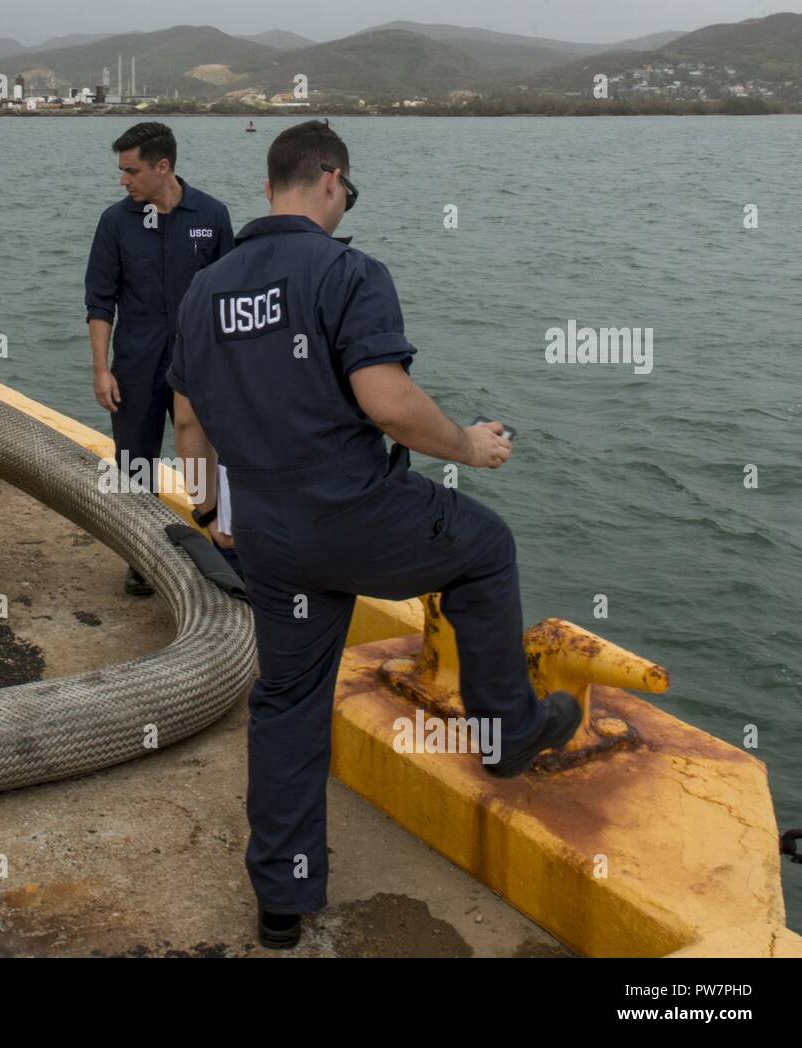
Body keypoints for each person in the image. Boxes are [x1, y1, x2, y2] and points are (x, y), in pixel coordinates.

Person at [168, 120, 581, 950]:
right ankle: (506, 735)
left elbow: (187, 420)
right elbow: (387, 402)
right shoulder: (347, 270)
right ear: (330, 180)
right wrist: (469, 444)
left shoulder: (203, 292)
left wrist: (212, 516)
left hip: (271, 537)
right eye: (346, 193)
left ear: (265, 190)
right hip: (359, 517)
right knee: (485, 549)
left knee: (287, 699)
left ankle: (282, 899)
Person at [85, 121, 235, 596]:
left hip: (198, 364)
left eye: (131, 171)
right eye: (122, 171)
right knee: (134, 462)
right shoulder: (115, 222)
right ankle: (141, 558)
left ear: (163, 166)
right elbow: (99, 301)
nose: (123, 180)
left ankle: (214, 542)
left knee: (204, 458)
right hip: (136, 362)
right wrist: (101, 368)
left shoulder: (212, 215)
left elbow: (227, 301)